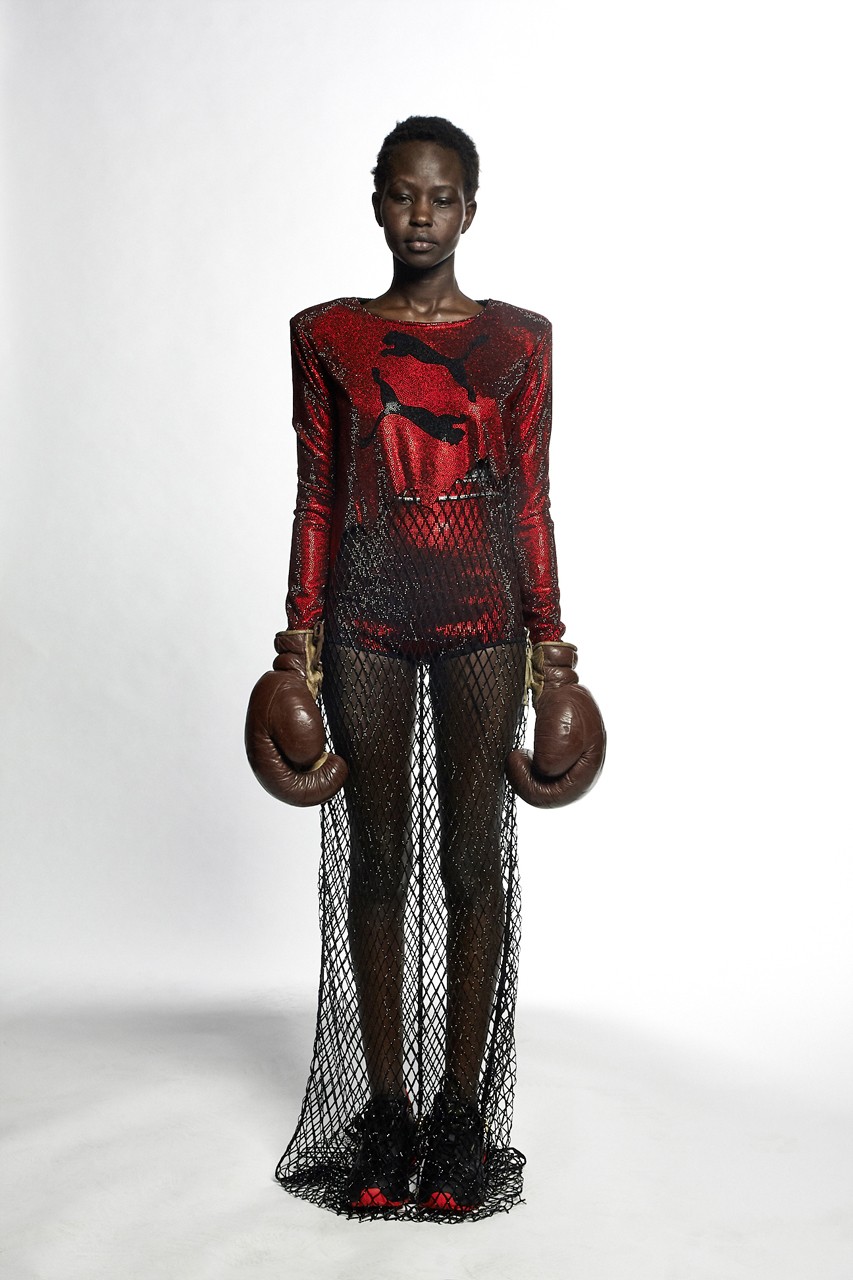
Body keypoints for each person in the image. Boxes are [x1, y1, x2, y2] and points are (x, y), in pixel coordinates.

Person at [245, 116, 605, 1220]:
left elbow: (530, 501)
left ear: (470, 209)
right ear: (376, 202)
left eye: (441, 197)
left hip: (484, 619)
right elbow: (316, 496)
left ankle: (458, 1115)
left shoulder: (518, 342)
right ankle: (385, 1111)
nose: (420, 215)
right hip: (364, 618)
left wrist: (553, 653)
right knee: (375, 861)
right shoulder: (328, 335)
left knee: (471, 862)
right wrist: (295, 645)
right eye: (403, 194)